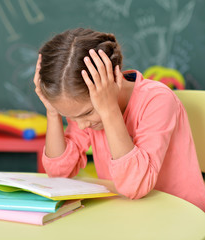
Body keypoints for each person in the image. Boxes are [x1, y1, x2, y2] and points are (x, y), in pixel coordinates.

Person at [33, 28, 205, 211]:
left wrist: (109, 111)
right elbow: (59, 174)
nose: (81, 125)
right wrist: (52, 112)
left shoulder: (158, 100)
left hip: (181, 214)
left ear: (112, 81)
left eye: (86, 114)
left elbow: (135, 187)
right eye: (71, 117)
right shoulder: (87, 107)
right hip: (128, 212)